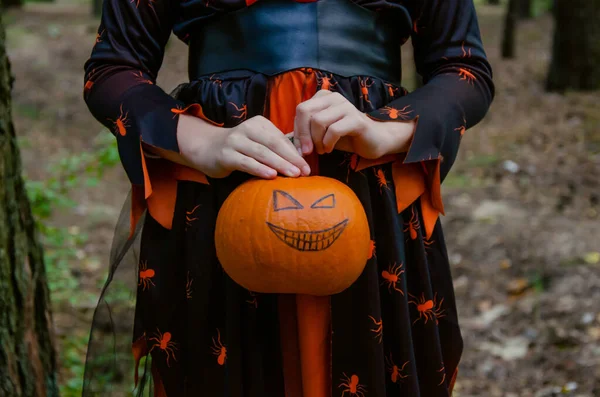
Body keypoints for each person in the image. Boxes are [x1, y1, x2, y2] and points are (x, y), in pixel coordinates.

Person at [82, 0, 494, 395]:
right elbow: (113, 68)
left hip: (369, 192)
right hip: (221, 189)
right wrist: (202, 142)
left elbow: (464, 69)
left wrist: (385, 130)